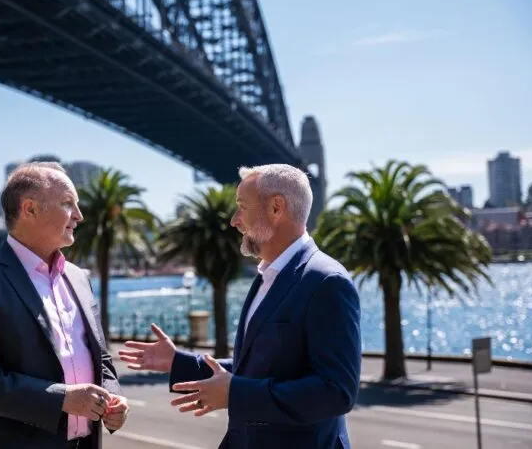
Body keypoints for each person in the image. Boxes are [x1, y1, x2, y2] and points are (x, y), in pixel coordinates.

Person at [120, 164, 361, 449]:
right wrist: (180, 363)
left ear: (276, 208)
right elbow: (261, 366)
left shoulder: (326, 282)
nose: (235, 220)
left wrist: (236, 394)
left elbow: (336, 392)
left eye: (242, 207)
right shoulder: (269, 276)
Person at [0, 162, 128, 449]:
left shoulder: (79, 278)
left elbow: (102, 360)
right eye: (68, 204)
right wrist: (62, 398)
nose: (79, 216)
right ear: (29, 209)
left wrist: (113, 397)